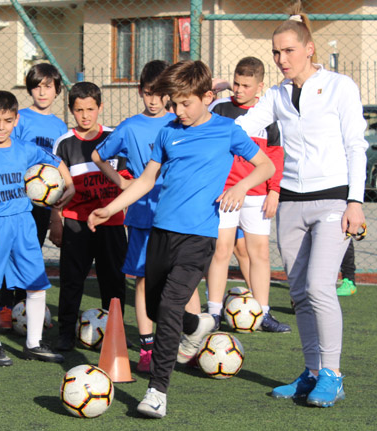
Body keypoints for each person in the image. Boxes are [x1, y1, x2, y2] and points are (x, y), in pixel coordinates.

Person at [88, 60, 275, 418]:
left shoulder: (228, 130)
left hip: (199, 236)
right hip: (161, 231)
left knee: (171, 306)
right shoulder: (167, 132)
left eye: (185, 103)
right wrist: (110, 208)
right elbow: (145, 181)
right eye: (174, 103)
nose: (178, 111)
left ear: (207, 96)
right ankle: (197, 324)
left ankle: (157, 391)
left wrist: (240, 186)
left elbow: (265, 166)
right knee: (158, 304)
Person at [235, 1, 368, 408]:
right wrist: (212, 107)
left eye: (288, 50)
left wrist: (356, 201)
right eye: (276, 52)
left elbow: (355, 146)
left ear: (309, 48)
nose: (281, 59)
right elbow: (241, 129)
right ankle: (311, 373)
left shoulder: (341, 86)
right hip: (290, 203)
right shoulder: (275, 95)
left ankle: (333, 374)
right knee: (298, 292)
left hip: (333, 200)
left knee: (319, 286)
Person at [0, 90, 74, 366]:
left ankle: (33, 343)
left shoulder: (24, 149)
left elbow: (55, 161)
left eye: (7, 120)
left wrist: (70, 183)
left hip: (24, 222)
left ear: (16, 119)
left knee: (36, 284)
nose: (0, 126)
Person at [91, 60, 176, 372]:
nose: (152, 100)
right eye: (147, 93)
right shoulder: (130, 126)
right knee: (143, 279)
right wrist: (121, 182)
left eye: (158, 93)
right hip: (141, 212)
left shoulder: (179, 124)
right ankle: (146, 348)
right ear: (140, 92)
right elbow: (98, 155)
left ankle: (183, 342)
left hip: (175, 211)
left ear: (169, 93)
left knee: (179, 278)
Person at [207, 57, 290, 333]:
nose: (239, 90)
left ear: (260, 86)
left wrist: (274, 191)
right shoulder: (219, 108)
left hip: (256, 195)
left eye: (246, 85)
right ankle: (214, 313)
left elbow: (276, 157)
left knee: (260, 254)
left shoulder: (270, 115)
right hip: (225, 194)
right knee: (221, 251)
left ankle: (263, 313)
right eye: (236, 83)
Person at [49, 81, 130, 352]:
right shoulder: (64, 144)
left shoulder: (115, 137)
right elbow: (55, 187)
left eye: (91, 109)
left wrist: (122, 210)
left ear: (100, 108)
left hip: (111, 222)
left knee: (114, 281)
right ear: (71, 110)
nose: (85, 115)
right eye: (79, 109)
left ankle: (116, 332)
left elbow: (127, 181)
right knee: (72, 280)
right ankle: (65, 333)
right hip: (76, 222)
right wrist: (56, 220)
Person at [0, 63, 68, 329]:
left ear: (57, 90)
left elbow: (59, 169)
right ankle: (5, 307)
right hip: (17, 200)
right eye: (37, 86)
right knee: (11, 253)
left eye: (48, 86)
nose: (42, 91)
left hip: (43, 204)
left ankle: (25, 308)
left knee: (31, 255)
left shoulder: (60, 127)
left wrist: (56, 215)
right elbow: (8, 152)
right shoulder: (20, 118)